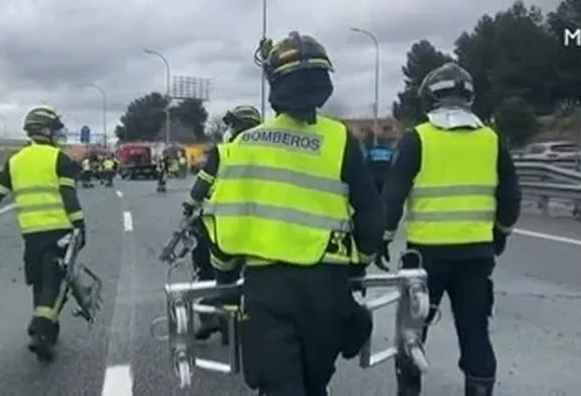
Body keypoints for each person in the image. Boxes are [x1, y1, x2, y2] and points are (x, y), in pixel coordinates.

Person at [201, 32, 385, 396]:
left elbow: (223, 220)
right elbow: (369, 211)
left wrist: (223, 278)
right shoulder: (340, 139)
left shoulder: (245, 144)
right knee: (314, 383)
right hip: (327, 285)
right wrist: (359, 264)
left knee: (282, 386)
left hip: (267, 288)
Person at [380, 62, 521, 396]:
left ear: (429, 97)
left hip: (425, 257)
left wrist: (383, 238)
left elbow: (393, 194)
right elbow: (511, 195)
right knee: (475, 332)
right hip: (476, 254)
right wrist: (499, 233)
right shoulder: (491, 140)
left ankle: (409, 391)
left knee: (412, 333)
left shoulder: (418, 138)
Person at [0, 105, 85, 362]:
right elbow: (69, 196)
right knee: (55, 283)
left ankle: (44, 326)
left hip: (30, 234)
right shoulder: (59, 159)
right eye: (55, 131)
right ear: (46, 131)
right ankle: (42, 331)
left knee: (38, 282)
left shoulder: (15, 161)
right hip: (58, 230)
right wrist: (80, 224)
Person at [181, 104, 262, 341]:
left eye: (231, 125)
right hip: (262, 228)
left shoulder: (224, 151)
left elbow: (201, 186)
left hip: (221, 228)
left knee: (209, 271)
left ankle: (213, 317)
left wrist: (189, 206)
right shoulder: (270, 152)